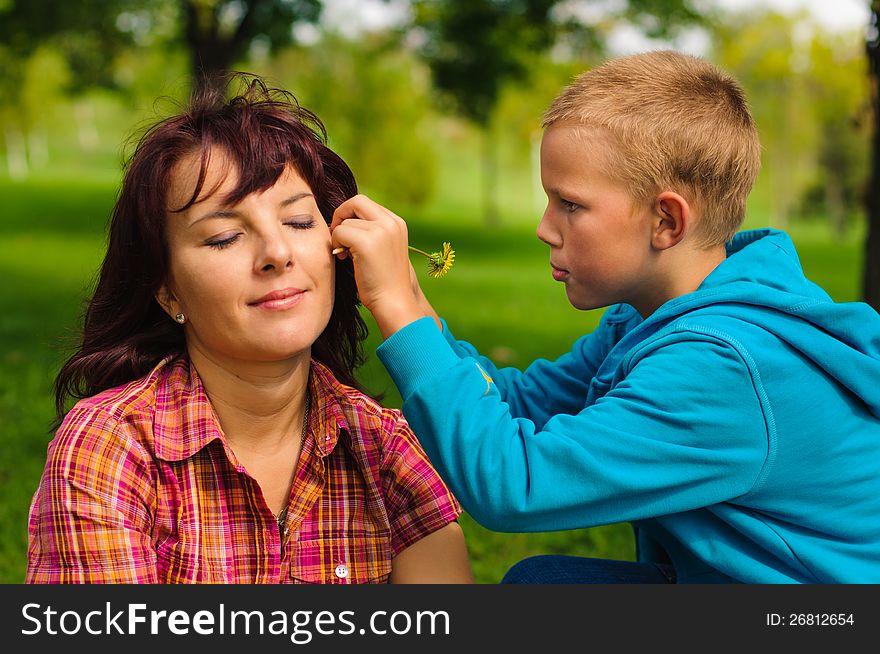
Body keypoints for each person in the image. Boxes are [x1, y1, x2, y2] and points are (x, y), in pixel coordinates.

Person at [328, 50, 880, 583]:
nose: (545, 227)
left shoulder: (726, 366)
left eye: (569, 204)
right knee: (548, 586)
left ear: (666, 220)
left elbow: (513, 484)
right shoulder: (648, 318)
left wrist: (398, 312)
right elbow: (519, 405)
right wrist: (415, 306)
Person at [26, 74, 473, 584]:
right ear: (167, 290)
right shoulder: (109, 447)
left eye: (300, 223)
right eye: (223, 237)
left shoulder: (384, 447)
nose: (277, 253)